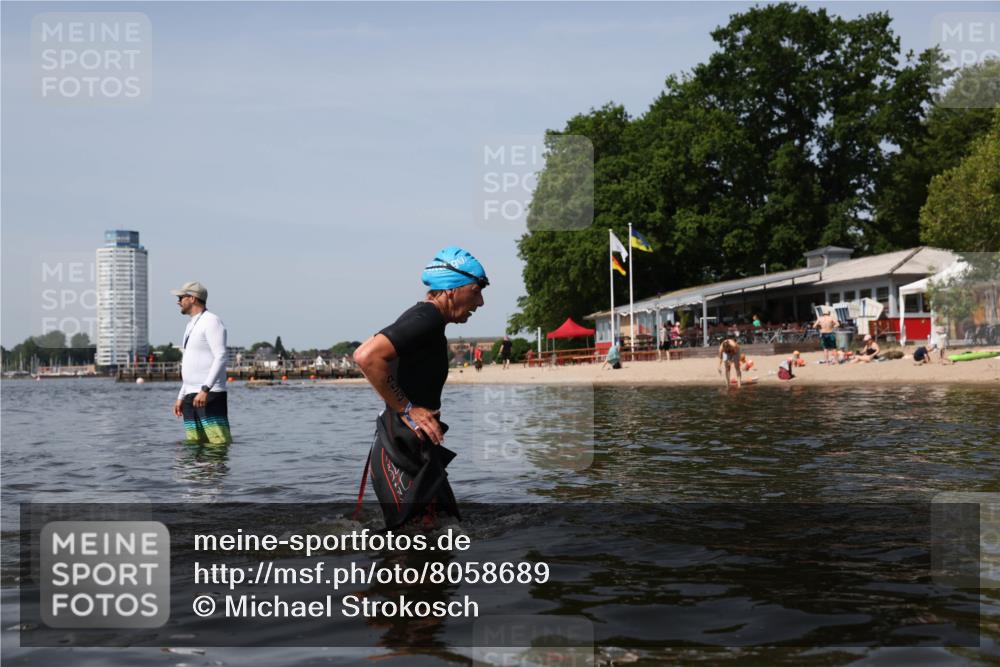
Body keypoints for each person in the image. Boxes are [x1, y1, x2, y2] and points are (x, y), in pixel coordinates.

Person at [353, 246, 487, 528]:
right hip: (399, 451)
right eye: (476, 290)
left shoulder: (426, 319)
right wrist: (408, 409)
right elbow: (367, 356)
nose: (481, 301)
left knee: (443, 532)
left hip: (414, 447)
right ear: (452, 289)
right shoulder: (427, 318)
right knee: (408, 550)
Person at [170, 281, 231, 445]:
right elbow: (192, 363)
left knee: (217, 444)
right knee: (194, 445)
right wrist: (180, 397)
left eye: (181, 297)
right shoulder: (191, 324)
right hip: (191, 394)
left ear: (192, 298)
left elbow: (221, 356)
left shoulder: (212, 321)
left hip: (209, 394)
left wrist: (205, 389)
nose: (178, 301)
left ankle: (216, 472)